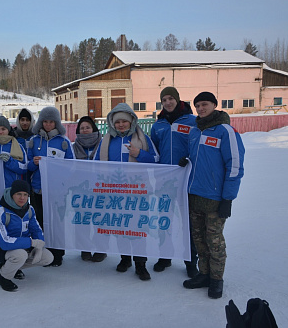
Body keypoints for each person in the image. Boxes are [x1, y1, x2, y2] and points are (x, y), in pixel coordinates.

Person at [181, 92, 245, 299]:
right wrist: (186, 161)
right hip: (194, 196)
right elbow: (197, 158)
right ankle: (204, 274)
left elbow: (234, 166)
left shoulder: (225, 131)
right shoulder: (194, 131)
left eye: (204, 104)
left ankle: (216, 280)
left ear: (215, 105)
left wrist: (228, 198)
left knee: (214, 242)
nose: (200, 109)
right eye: (197, 105)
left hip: (215, 198)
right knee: (199, 240)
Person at [94, 103, 159, 281]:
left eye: (124, 121)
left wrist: (139, 154)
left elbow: (155, 160)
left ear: (131, 121)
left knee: (138, 228)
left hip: (137, 192)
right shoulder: (106, 140)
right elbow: (94, 164)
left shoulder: (143, 139)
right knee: (121, 226)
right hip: (114, 193)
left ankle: (141, 264)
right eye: (117, 122)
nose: (121, 125)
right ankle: (125, 259)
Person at [150, 87, 199, 278]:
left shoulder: (192, 121)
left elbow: (197, 148)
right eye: (164, 100)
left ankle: (190, 260)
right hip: (165, 181)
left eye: (171, 99)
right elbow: (155, 151)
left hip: (186, 179)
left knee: (188, 222)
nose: (168, 103)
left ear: (178, 100)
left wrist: (188, 160)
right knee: (165, 221)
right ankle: (165, 256)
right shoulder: (158, 125)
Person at [27, 106, 75, 267]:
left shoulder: (64, 142)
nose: (48, 125)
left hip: (56, 191)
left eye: (51, 122)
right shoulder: (34, 141)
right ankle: (42, 253)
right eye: (45, 121)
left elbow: (71, 166)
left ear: (56, 123)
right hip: (38, 190)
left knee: (57, 223)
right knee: (39, 223)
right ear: (41, 122)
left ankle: (58, 254)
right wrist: (33, 164)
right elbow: (26, 165)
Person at [0, 180, 54, 291]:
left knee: (47, 257)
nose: (22, 198)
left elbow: (36, 229)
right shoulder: (0, 211)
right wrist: (32, 243)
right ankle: (3, 277)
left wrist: (39, 246)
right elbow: (4, 242)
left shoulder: (29, 209)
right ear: (12, 194)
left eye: (25, 195)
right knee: (20, 255)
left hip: (21, 244)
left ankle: (12, 267)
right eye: (18, 194)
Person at [73, 116, 106, 263]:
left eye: (88, 127)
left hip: (101, 189)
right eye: (82, 128)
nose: (85, 130)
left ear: (93, 128)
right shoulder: (73, 147)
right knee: (83, 221)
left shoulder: (104, 144)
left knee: (100, 220)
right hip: (81, 190)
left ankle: (101, 249)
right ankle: (84, 248)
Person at [0, 115, 27, 188]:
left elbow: (24, 168)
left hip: (12, 188)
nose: (0, 132)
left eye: (3, 129)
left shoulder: (18, 146)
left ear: (8, 130)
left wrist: (10, 161)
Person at [13, 108, 35, 184]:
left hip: (33, 175)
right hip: (18, 175)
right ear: (18, 121)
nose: (25, 123)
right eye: (22, 120)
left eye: (27, 120)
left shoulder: (36, 137)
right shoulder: (13, 137)